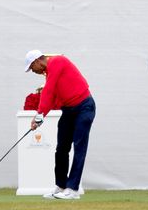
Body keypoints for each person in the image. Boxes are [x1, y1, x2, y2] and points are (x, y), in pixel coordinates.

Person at [25, 50, 95, 201]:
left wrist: (39, 114)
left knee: (79, 147)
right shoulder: (50, 73)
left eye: (32, 67)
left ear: (37, 61)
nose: (33, 71)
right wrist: (39, 117)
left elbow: (48, 90)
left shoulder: (57, 61)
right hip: (69, 110)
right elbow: (51, 98)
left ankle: (73, 189)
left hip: (84, 106)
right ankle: (61, 186)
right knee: (62, 148)